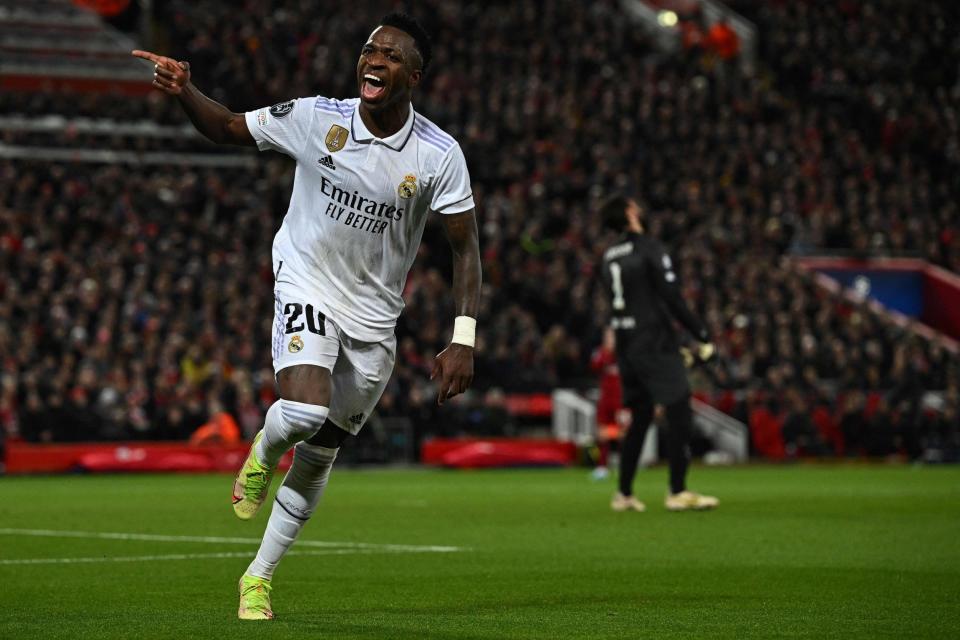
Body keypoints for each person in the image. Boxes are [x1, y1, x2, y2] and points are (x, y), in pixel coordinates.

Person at [132, 12, 481, 620]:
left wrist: (464, 338)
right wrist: (185, 88)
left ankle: (257, 579)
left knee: (321, 453)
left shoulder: (438, 154)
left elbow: (464, 247)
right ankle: (264, 453)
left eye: (392, 55)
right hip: (307, 282)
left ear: (414, 77)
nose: (374, 59)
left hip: (374, 320)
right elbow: (228, 127)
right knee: (302, 411)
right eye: (370, 48)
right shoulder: (319, 118)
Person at [597, 195, 718, 513]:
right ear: (628, 213)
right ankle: (677, 490)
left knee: (641, 417)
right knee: (679, 409)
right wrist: (701, 334)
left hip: (628, 346)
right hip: (652, 342)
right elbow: (671, 297)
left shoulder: (608, 256)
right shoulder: (649, 248)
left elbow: (623, 303)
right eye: (634, 204)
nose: (640, 207)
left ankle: (623, 494)